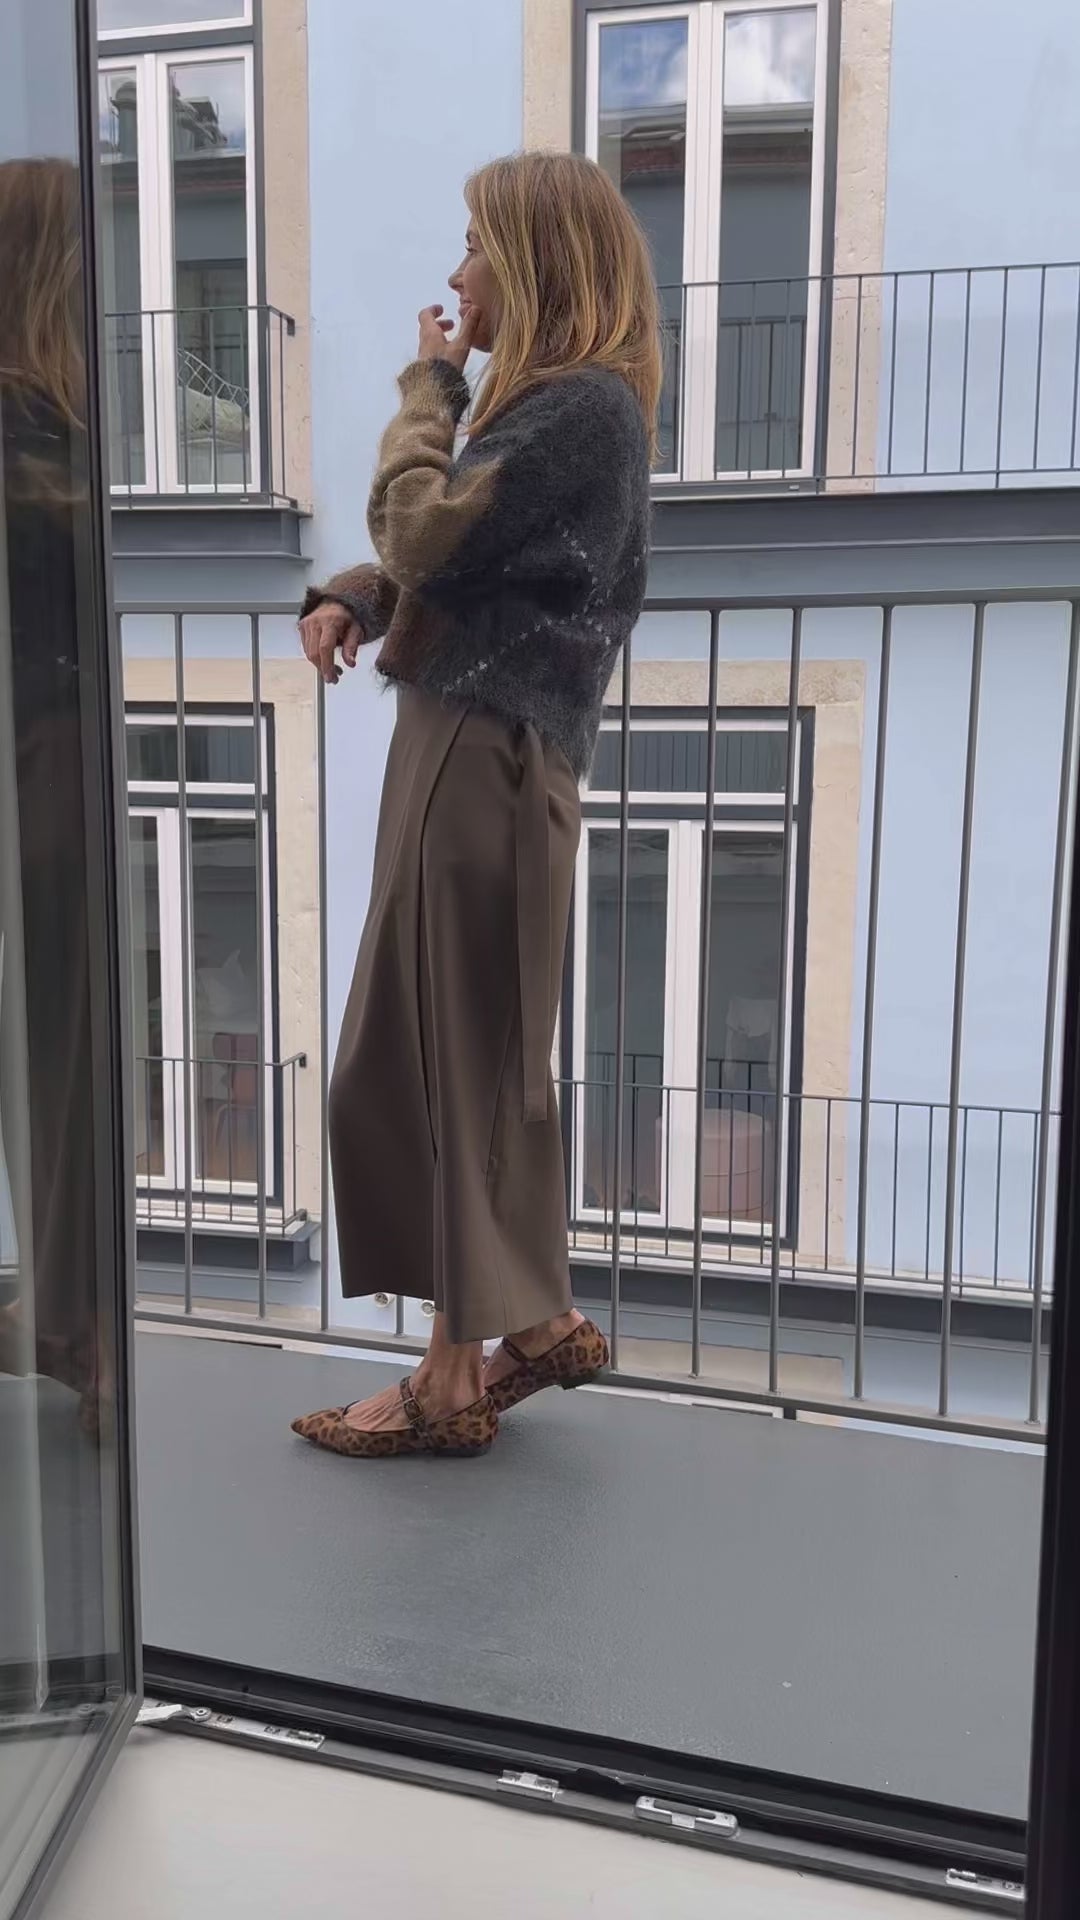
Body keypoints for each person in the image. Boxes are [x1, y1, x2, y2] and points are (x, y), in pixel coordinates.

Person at [292, 151, 660, 1460]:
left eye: (475, 246)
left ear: (535, 260)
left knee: (453, 1058)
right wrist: (353, 593)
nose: (458, 275)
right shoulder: (568, 410)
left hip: (482, 754)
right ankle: (538, 1321)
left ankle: (452, 1380)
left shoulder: (578, 412)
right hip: (470, 746)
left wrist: (428, 391)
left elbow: (424, 529)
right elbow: (462, 561)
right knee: (449, 1052)